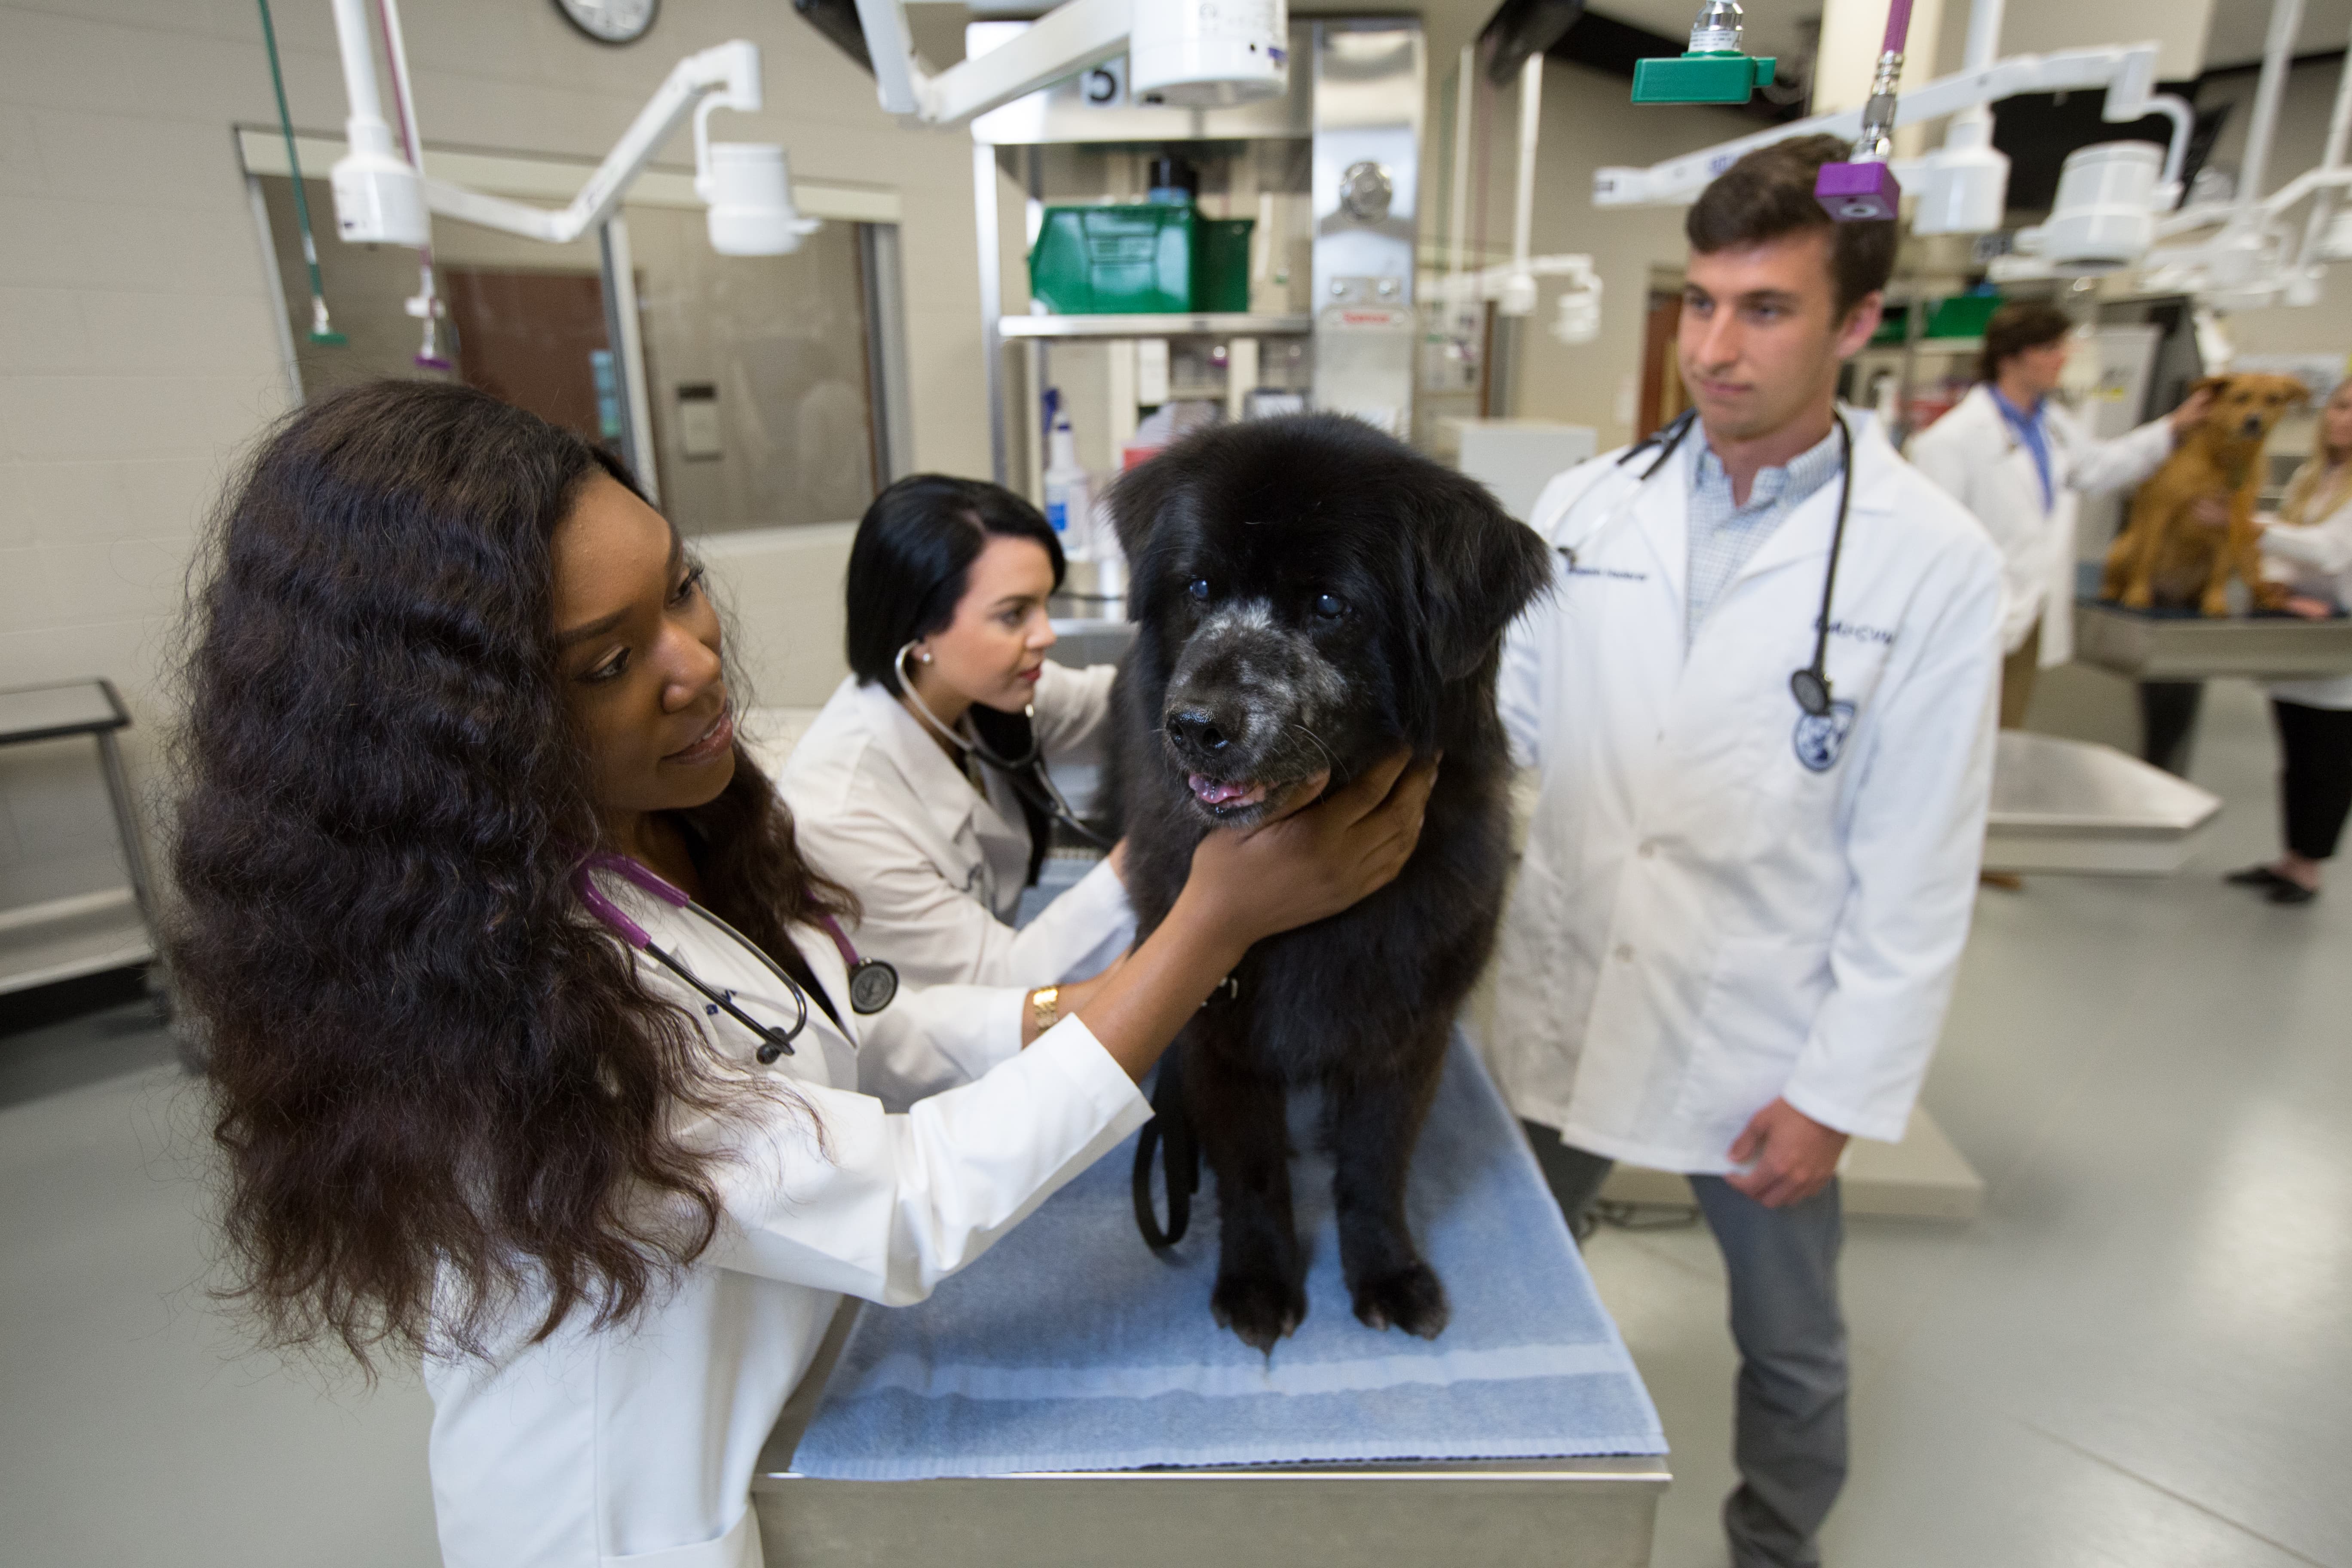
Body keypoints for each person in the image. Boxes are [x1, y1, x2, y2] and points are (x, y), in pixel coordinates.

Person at [170, 381, 1433, 1568]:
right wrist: (1204, 924)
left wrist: (1066, 1008)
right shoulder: (489, 1005)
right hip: (643, 1520)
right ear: (450, 732)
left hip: (793, 1399)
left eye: (683, 589)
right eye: (609, 662)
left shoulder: (664, 822)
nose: (696, 663)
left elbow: (838, 1023)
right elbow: (904, 1200)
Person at [1485, 136, 2003, 1568]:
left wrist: (1837, 1087)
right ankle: (1503, 1511)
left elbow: (1919, 862)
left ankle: (1774, 1545)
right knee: (1500, 1280)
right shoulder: (1591, 508)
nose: (1713, 347)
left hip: (1758, 1031)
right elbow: (1506, 731)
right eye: (1701, 302)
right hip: (1563, 983)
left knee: (1791, 1346)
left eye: (1764, 309)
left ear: (1854, 323)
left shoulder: (1932, 559)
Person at [780, 475, 1131, 989]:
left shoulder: (976, 696)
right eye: (1014, 615)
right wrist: (1147, 852)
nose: (1047, 635)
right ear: (920, 630)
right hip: (932, 1050)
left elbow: (1111, 704)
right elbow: (1002, 977)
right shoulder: (840, 813)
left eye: (1044, 605)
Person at [1906, 299, 2211, 732]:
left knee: (2005, 731)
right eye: (2049, 349)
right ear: (2011, 357)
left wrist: (2174, 428)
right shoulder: (1950, 440)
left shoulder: (2053, 426)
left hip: (2030, 608)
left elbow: (2099, 468)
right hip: (1971, 616)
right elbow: (1929, 545)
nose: (2062, 359)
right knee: (1954, 732)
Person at [2223, 374, 2352, 904]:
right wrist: (2278, 589)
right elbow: (2289, 548)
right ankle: (2291, 857)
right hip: (2304, 634)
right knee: (2297, 754)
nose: (2344, 418)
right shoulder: (2314, 475)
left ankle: (2310, 869)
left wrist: (2245, 526)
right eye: (2340, 407)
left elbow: (2329, 550)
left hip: (2341, 642)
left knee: (2330, 761)